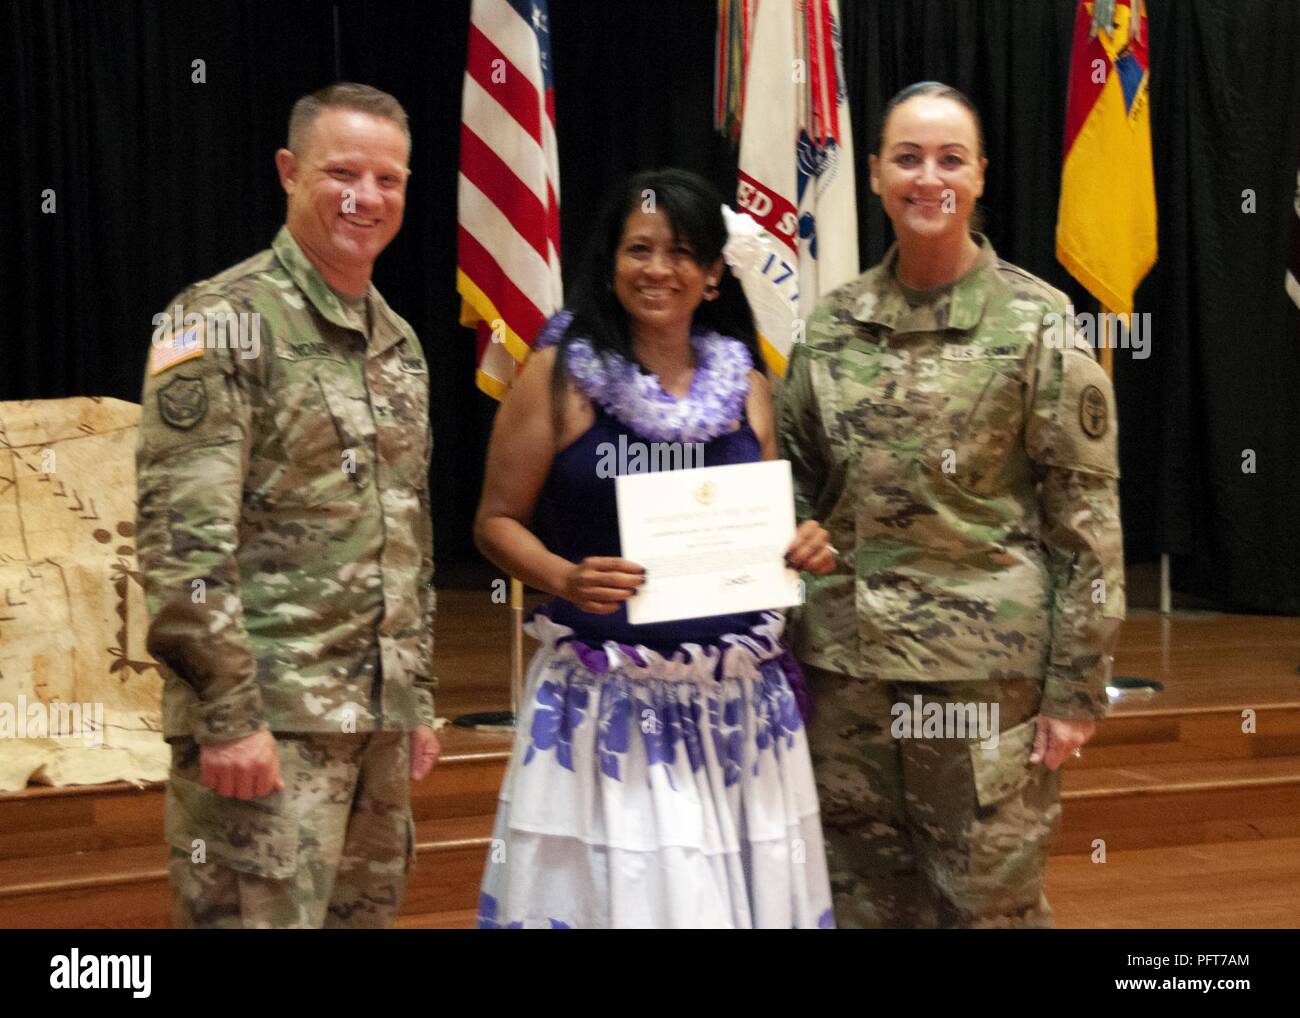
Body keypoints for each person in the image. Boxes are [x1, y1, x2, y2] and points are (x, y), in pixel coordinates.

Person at [777, 82, 1125, 928]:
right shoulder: (833, 324)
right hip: (848, 677)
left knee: (986, 907)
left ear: (979, 178)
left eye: (949, 159)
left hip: (982, 683)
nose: (927, 177)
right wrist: (795, 534)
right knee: (861, 906)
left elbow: (1087, 521)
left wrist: (1078, 691)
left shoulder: (1039, 323)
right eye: (907, 157)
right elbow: (790, 476)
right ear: (873, 174)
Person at [473, 169, 837, 928]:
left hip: (739, 701)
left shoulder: (749, 385)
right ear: (610, 261)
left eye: (681, 252)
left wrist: (799, 543)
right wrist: (563, 577)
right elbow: (495, 521)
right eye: (639, 249)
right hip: (607, 702)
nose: (658, 269)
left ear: (711, 275)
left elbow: (767, 526)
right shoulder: (557, 374)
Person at [136, 83, 440, 929]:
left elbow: (405, 531)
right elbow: (181, 543)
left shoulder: (399, 342)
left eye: (389, 179)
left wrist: (412, 701)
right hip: (267, 736)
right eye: (342, 172)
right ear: (288, 171)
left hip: (375, 731)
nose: (365, 198)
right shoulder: (217, 322)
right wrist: (228, 721)